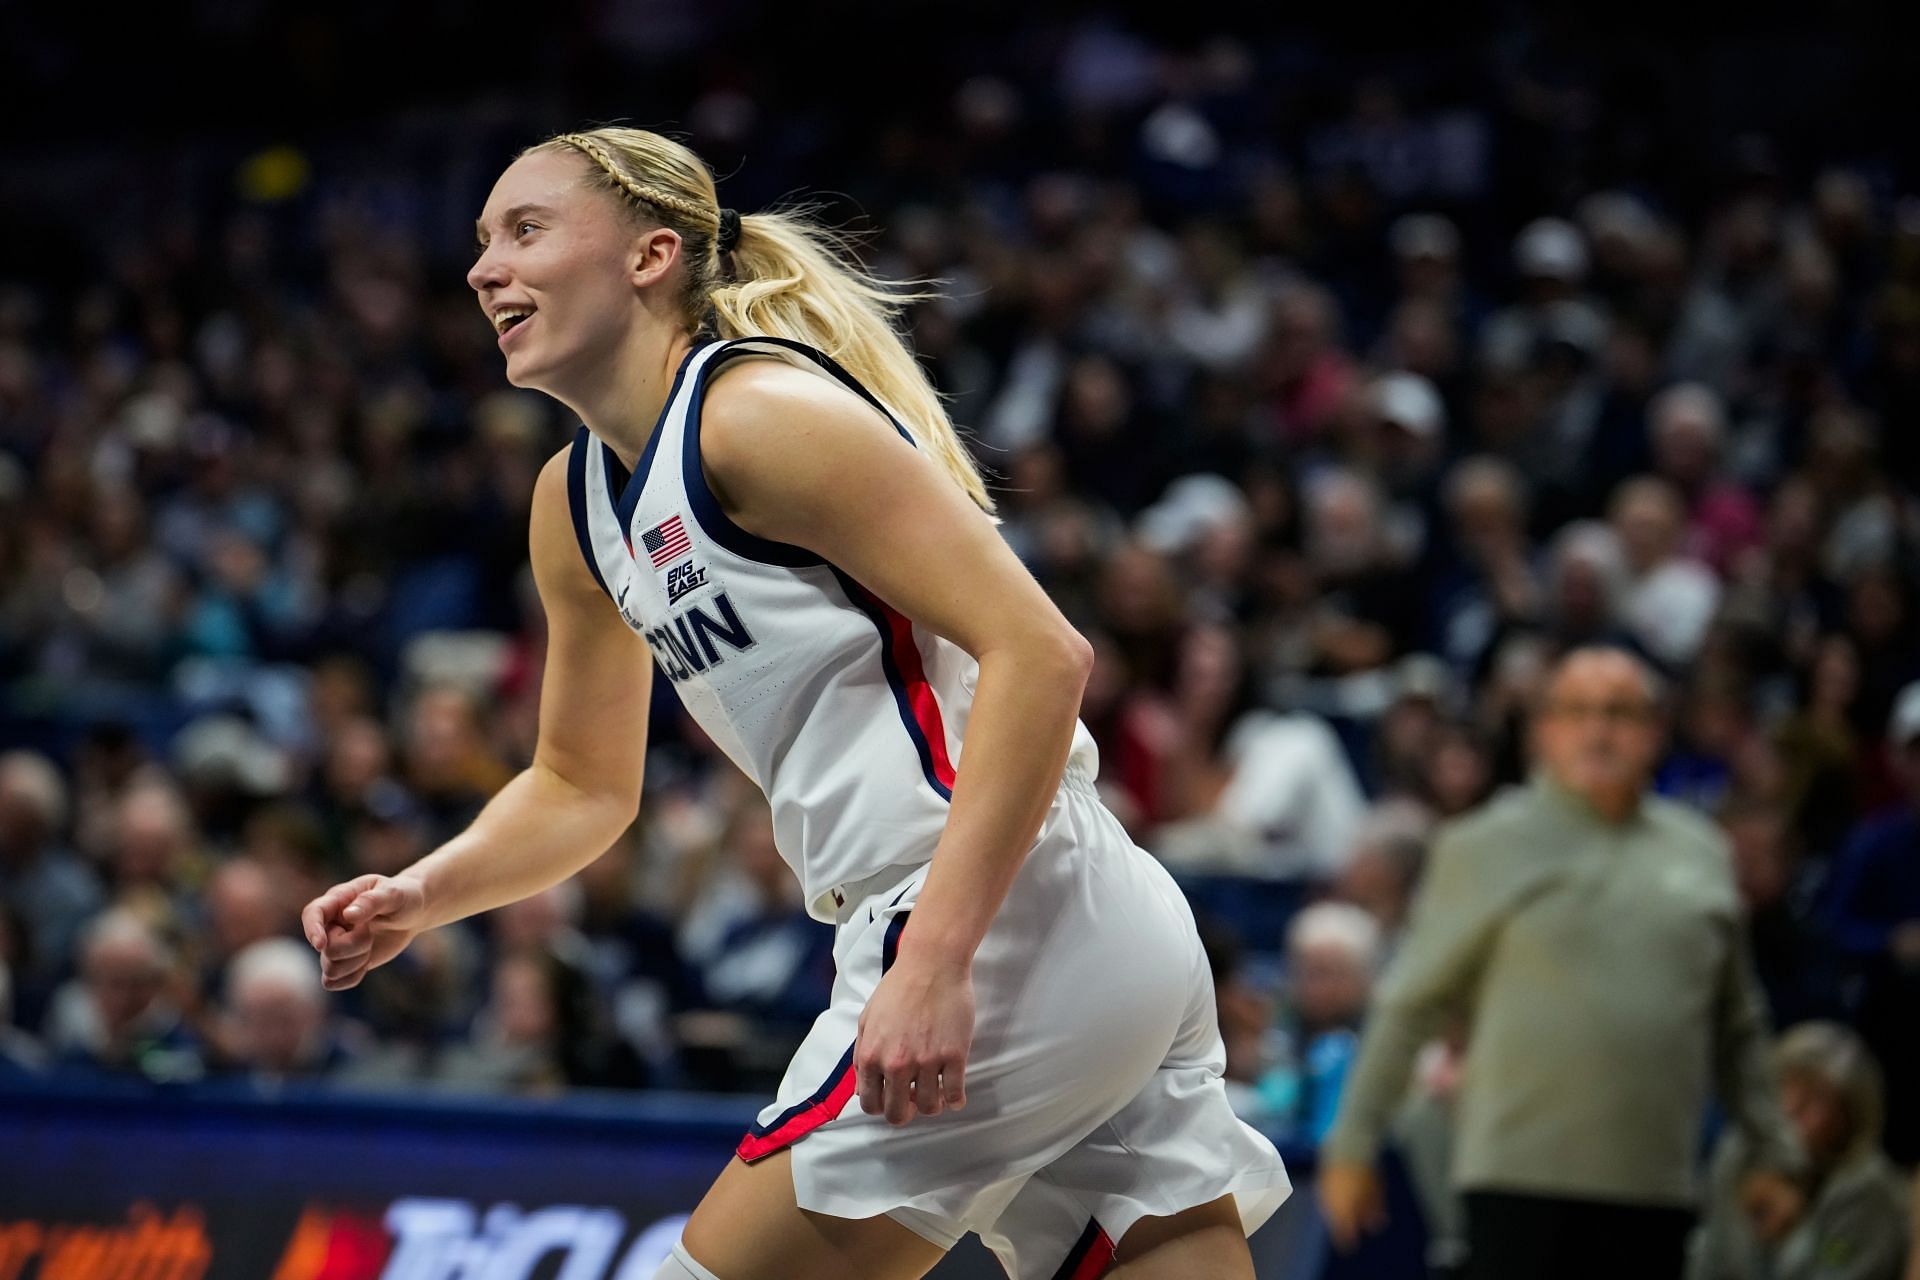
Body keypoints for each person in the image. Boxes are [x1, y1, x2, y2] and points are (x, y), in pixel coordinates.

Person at [301, 126, 1289, 1280]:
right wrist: (426, 892)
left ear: (650, 255)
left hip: (992, 910)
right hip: (1068, 932)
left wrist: (935, 958)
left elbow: (1041, 652)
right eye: (481, 241)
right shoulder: (574, 505)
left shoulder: (755, 414)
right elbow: (580, 784)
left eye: (526, 230)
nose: (483, 269)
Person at [1318, 645, 1804, 1280]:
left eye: (1620, 713)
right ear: (1543, 730)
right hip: (1515, 1182)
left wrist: (1773, 1152)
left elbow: (1737, 1026)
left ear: (1656, 731)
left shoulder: (1704, 853)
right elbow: (1409, 1004)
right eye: (1576, 711)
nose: (1599, 731)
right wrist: (1352, 1143)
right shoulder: (1482, 846)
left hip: (1656, 1183)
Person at [1690, 1021, 1909, 1280]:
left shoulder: (1866, 1192)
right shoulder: (1739, 1152)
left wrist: (1785, 1235)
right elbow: (1711, 1261)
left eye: (1815, 1099)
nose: (1792, 1108)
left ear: (1848, 1122)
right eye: (1787, 1086)